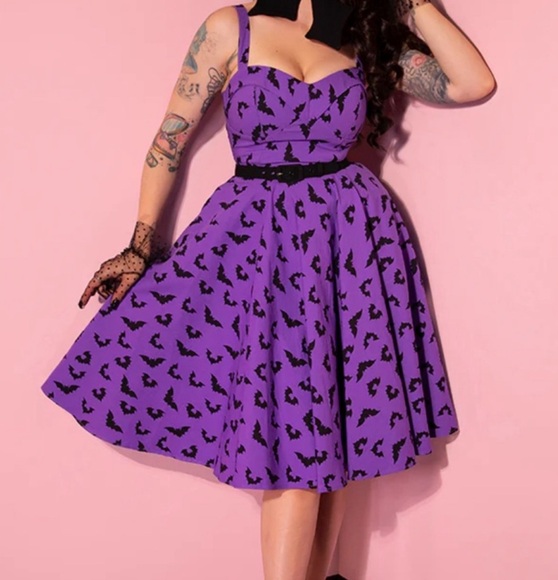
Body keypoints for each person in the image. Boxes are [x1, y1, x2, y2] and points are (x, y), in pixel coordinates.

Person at [40, 1, 495, 578]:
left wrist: (413, 3)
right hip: (259, 244)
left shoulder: (365, 36)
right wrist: (139, 244)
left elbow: (472, 83)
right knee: (295, 446)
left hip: (348, 244)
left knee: (335, 440)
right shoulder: (229, 28)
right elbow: (168, 143)